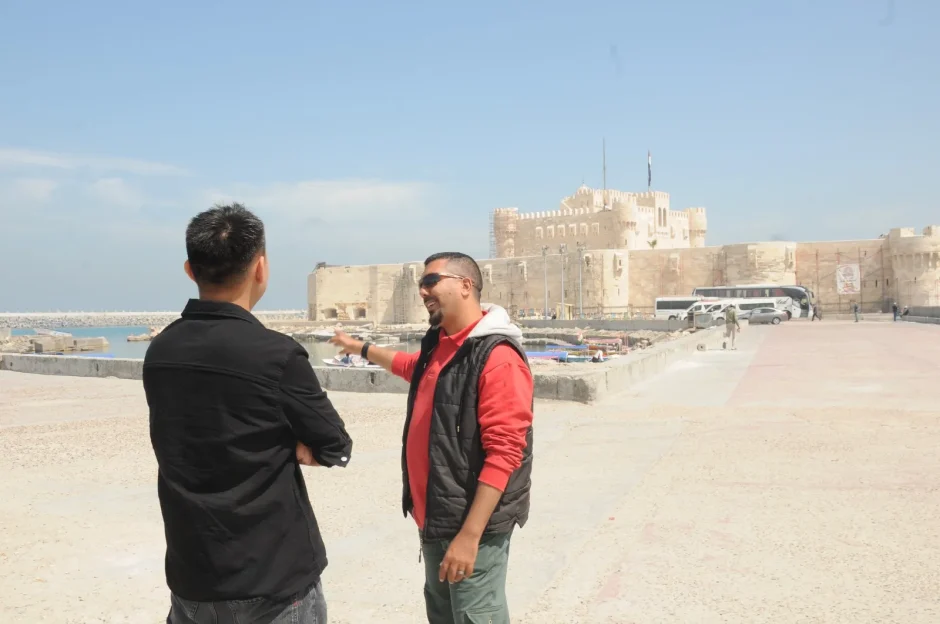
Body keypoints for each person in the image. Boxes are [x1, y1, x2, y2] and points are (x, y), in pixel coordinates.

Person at [144, 203, 352, 624]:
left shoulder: (161, 350)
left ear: (190, 270)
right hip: (272, 579)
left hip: (191, 574)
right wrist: (295, 444)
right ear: (261, 267)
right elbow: (335, 444)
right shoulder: (276, 355)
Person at [330, 252, 534, 624]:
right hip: (436, 518)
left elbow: (505, 453)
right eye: (421, 284)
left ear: (465, 285)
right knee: (443, 614)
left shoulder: (497, 357)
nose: (423, 291)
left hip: (471, 525)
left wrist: (470, 536)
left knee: (475, 614)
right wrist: (359, 348)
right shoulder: (439, 345)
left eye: (430, 281)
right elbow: (411, 366)